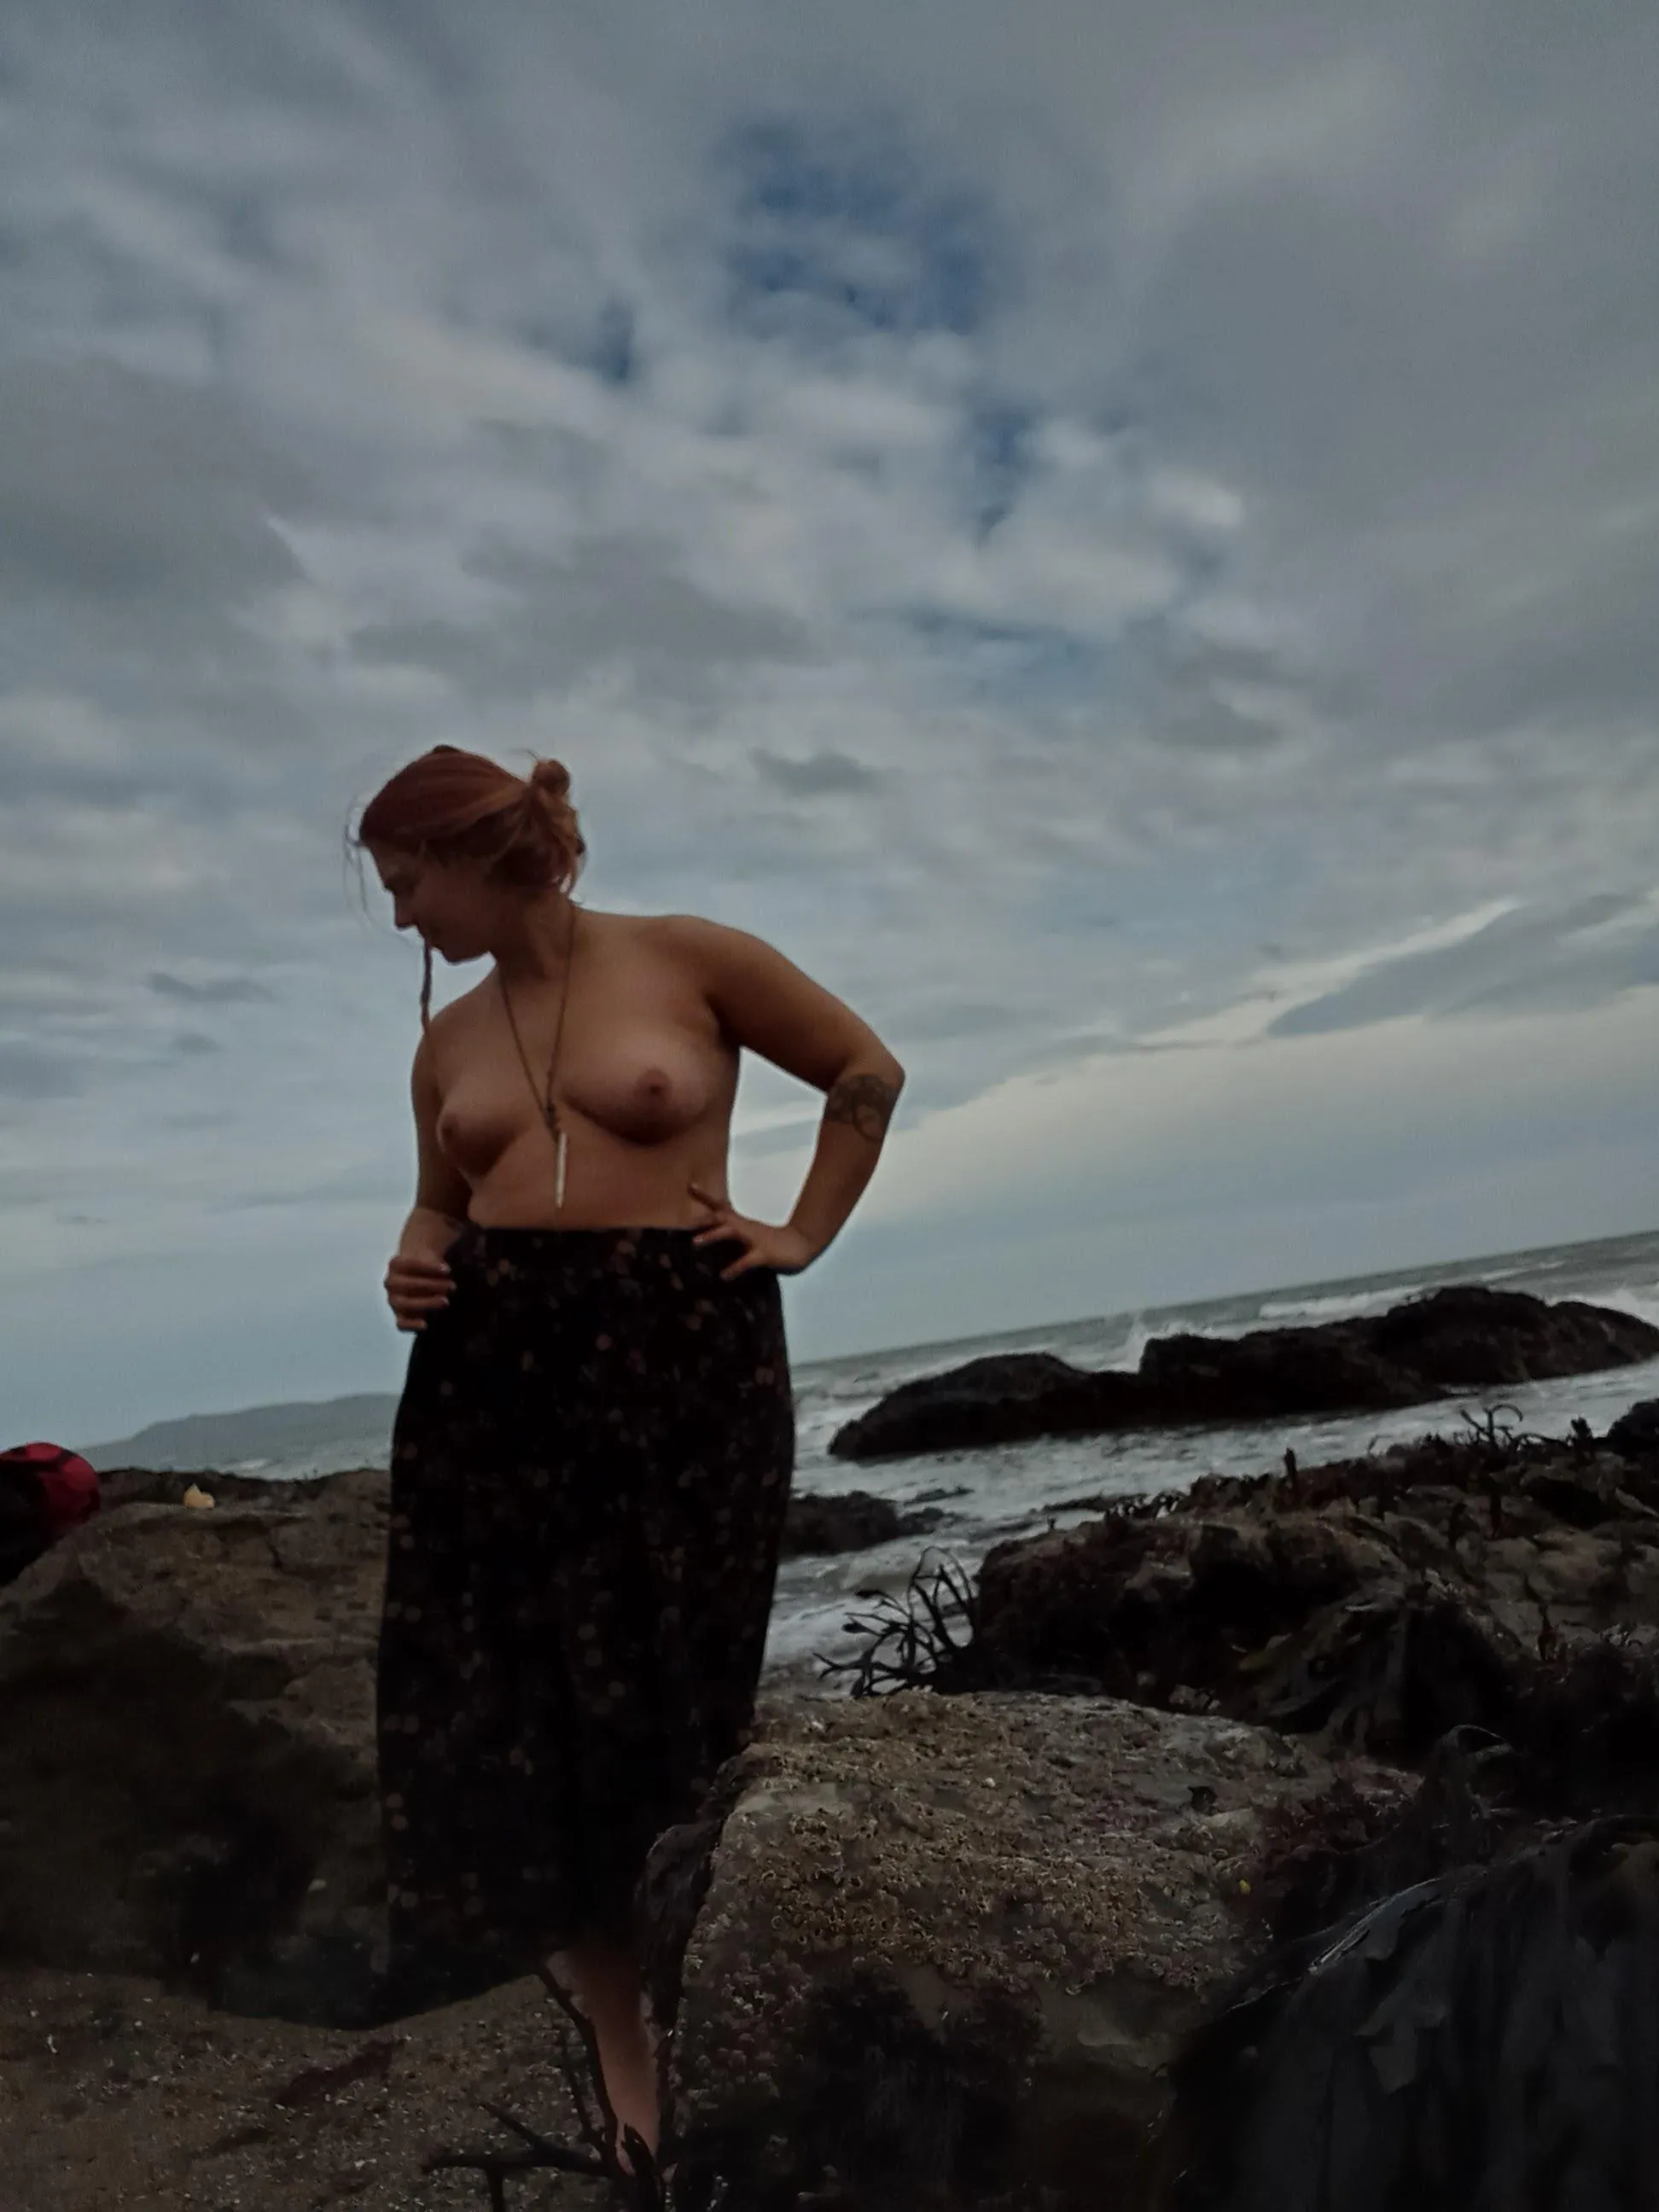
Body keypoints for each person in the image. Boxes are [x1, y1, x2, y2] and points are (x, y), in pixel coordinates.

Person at [353, 745, 903, 2160]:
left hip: (679, 1353)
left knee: (676, 1704)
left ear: (480, 852)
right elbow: (437, 1205)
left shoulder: (690, 957)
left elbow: (864, 1069)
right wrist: (414, 1265)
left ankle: (718, 2005)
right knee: (532, 1722)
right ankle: (630, 2074)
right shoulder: (445, 1043)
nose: (406, 915)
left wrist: (798, 1233)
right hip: (494, 1379)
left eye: (408, 880)